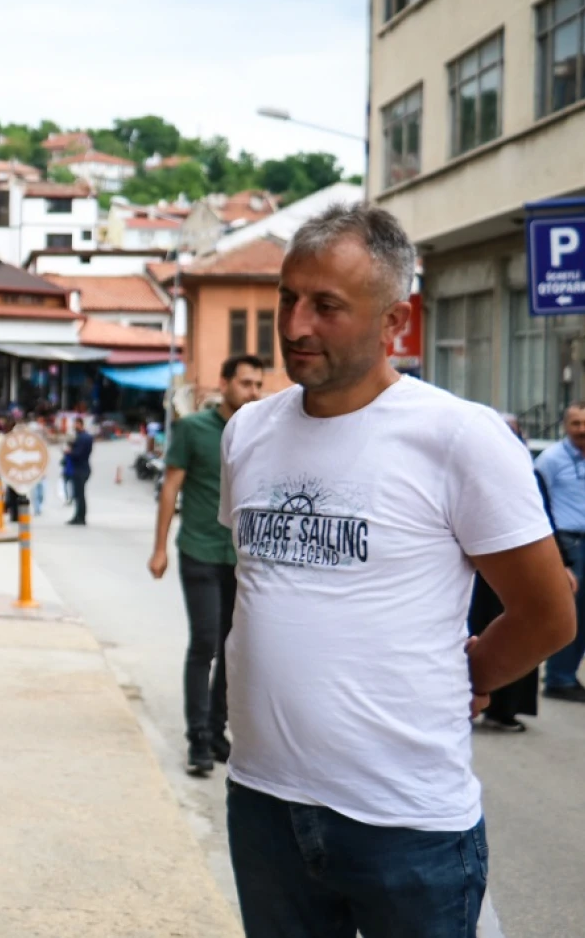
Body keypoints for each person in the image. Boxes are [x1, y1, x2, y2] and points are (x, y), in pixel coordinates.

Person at [219, 203, 576, 936]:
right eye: (288, 298)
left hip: (404, 824)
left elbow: (549, 614)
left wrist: (473, 675)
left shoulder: (457, 438)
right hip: (262, 803)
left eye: (327, 306)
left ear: (394, 321)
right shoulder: (248, 431)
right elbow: (257, 590)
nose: (294, 327)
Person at [148, 354, 265, 776]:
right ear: (225, 382)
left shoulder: (259, 431)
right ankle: (197, 738)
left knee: (234, 649)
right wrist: (159, 548)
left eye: (258, 385)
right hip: (199, 548)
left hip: (244, 559)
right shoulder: (193, 429)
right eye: (246, 383)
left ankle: (217, 732)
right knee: (205, 643)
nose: (253, 392)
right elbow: (170, 488)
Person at [471, 414, 574, 731]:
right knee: (484, 628)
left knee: (521, 631)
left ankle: (505, 708)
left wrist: (562, 563)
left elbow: (542, 526)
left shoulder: (527, 474)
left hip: (521, 570)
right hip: (484, 574)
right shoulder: (472, 472)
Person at [532, 402, 585, 703]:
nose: (581, 430)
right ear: (565, 426)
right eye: (575, 423)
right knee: (570, 612)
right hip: (569, 542)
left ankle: (568, 674)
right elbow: (537, 502)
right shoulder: (551, 460)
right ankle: (558, 677)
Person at [63, 417, 93, 525]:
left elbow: (78, 454)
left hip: (80, 469)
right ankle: (78, 516)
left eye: (76, 424)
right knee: (78, 494)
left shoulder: (83, 438)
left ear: (80, 424)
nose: (74, 426)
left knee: (79, 495)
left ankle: (80, 517)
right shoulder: (80, 437)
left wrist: (69, 452)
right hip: (80, 468)